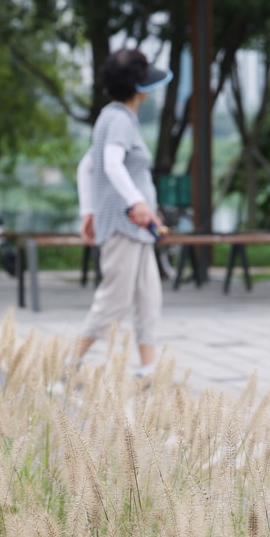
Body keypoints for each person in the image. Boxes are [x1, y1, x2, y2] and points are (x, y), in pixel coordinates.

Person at [72, 48, 173, 377]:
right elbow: (111, 165)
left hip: (136, 228)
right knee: (114, 300)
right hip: (125, 224)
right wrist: (138, 203)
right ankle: (66, 363)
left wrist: (88, 210)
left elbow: (86, 166)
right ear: (138, 88)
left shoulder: (113, 118)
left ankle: (147, 368)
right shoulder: (117, 119)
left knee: (148, 296)